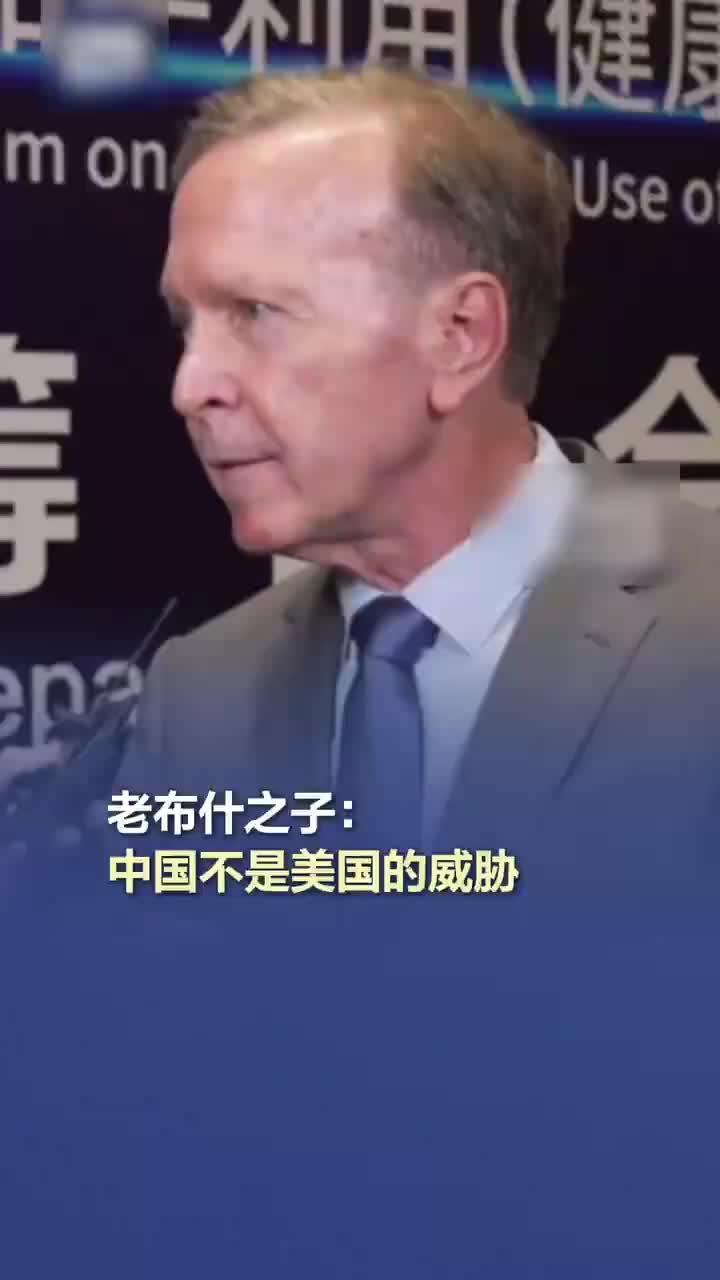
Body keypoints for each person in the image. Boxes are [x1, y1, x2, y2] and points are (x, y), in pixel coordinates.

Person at [3, 66, 720, 1278]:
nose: (190, 384)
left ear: (460, 337)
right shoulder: (200, 692)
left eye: (256, 313)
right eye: (188, 322)